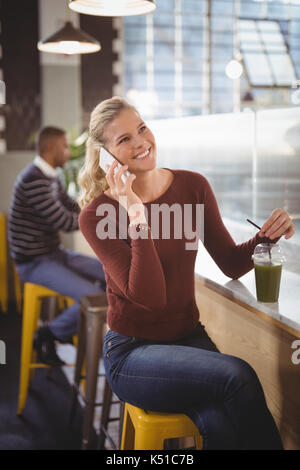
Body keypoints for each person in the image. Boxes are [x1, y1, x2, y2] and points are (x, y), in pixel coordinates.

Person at [77, 96, 295, 450]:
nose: (141, 142)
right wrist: (135, 212)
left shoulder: (193, 187)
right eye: (124, 140)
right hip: (132, 353)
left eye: (142, 129)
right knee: (237, 376)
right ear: (105, 156)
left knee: (222, 424)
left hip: (188, 340)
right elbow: (150, 298)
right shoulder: (97, 215)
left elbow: (229, 260)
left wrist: (267, 235)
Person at [8, 126, 106, 366]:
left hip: (54, 254)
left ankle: (81, 334)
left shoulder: (51, 176)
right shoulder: (33, 180)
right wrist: (98, 219)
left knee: (109, 274)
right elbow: (63, 221)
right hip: (34, 263)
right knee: (94, 296)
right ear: (50, 148)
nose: (67, 152)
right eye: (64, 146)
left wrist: (94, 208)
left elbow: (71, 206)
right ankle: (49, 334)